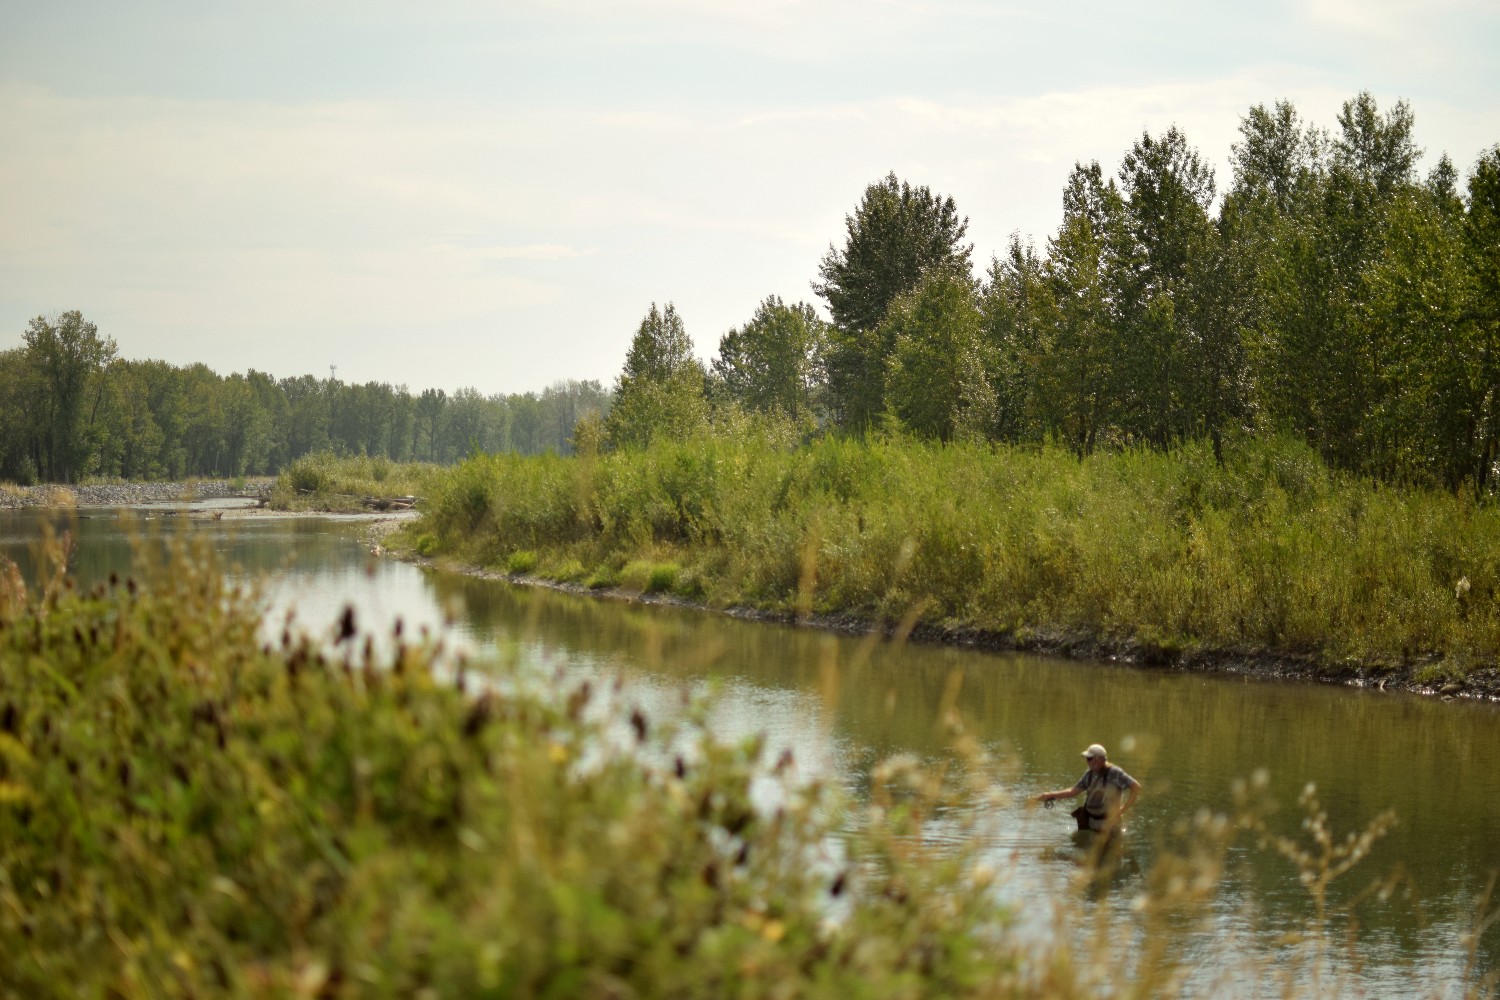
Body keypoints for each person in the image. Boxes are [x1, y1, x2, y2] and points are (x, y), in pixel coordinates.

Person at [1037, 744, 1141, 833]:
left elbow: (1136, 787)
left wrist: (1122, 810)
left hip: (1110, 825)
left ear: (1100, 759)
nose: (1087, 761)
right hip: (1091, 821)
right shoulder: (1089, 774)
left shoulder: (1115, 773)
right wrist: (1049, 795)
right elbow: (1073, 791)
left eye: (1089, 758)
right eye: (1087, 759)